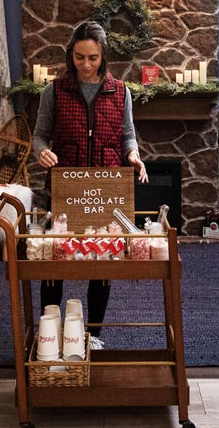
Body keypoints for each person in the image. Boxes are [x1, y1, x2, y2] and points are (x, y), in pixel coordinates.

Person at [32, 20, 148, 350]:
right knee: (55, 262)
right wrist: (43, 153)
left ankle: (94, 334)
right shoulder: (53, 91)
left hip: (106, 189)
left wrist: (135, 155)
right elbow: (40, 136)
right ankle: (49, 333)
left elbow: (128, 135)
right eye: (80, 57)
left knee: (102, 262)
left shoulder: (120, 91)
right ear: (71, 55)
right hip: (64, 189)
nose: (85, 65)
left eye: (93, 58)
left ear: (103, 56)